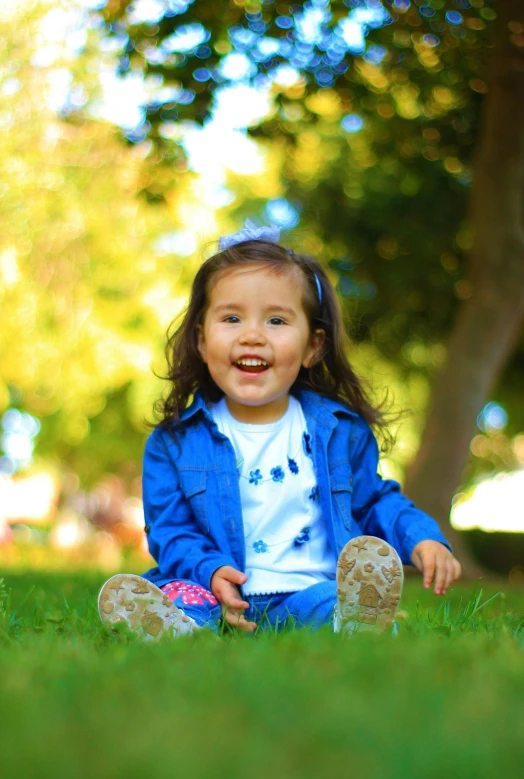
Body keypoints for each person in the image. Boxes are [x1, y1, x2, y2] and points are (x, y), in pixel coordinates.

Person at [98, 223, 461, 640]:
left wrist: (422, 539)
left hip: (307, 590)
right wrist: (212, 571)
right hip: (216, 591)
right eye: (231, 318)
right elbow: (172, 532)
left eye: (276, 320)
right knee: (181, 594)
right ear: (201, 339)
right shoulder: (174, 443)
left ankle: (354, 620)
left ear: (313, 347)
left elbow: (374, 501)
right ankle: (182, 626)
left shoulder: (338, 431)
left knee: (329, 603)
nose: (252, 335)